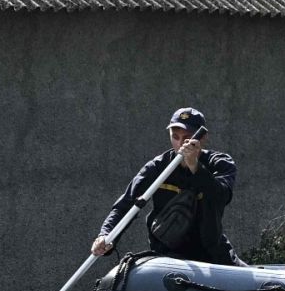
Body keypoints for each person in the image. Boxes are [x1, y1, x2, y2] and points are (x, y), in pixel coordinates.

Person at [92, 107, 244, 265]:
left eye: (187, 137)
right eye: (175, 137)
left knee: (249, 281)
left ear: (202, 137)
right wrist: (106, 236)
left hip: (211, 253)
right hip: (167, 255)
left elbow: (221, 196)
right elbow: (126, 204)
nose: (180, 143)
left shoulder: (220, 163)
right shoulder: (157, 167)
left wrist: (194, 166)